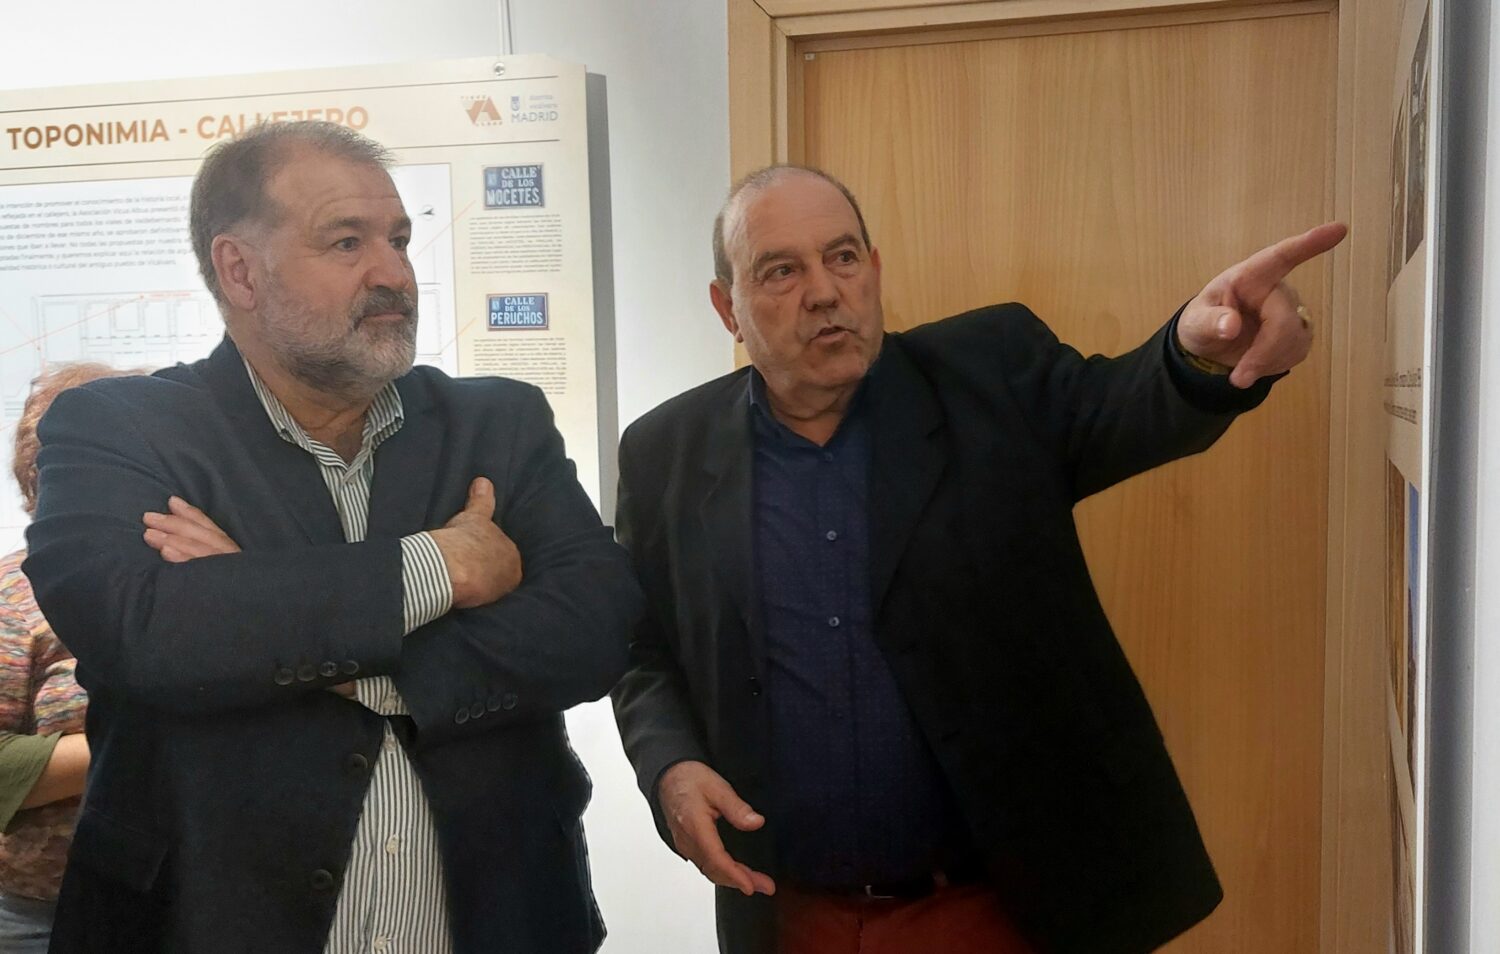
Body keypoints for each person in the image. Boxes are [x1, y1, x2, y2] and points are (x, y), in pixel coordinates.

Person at [610, 164, 1346, 954]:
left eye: (843, 257)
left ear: (874, 269)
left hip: (999, 908)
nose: (823, 292)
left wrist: (1196, 354)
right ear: (728, 307)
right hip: (787, 914)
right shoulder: (663, 454)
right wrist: (669, 765)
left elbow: (1124, 404)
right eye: (781, 271)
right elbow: (638, 645)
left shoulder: (989, 374)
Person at [23, 121, 642, 954]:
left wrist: (285, 620)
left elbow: (596, 626)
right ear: (240, 269)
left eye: (398, 240)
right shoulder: (120, 429)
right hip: (203, 925)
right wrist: (440, 567)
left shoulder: (497, 423)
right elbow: (147, 632)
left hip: (498, 920)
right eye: (347, 242)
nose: (392, 273)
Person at [0, 364, 132, 952]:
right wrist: (139, 742)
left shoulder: (194, 579)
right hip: (40, 911)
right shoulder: (12, 596)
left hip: (188, 897)